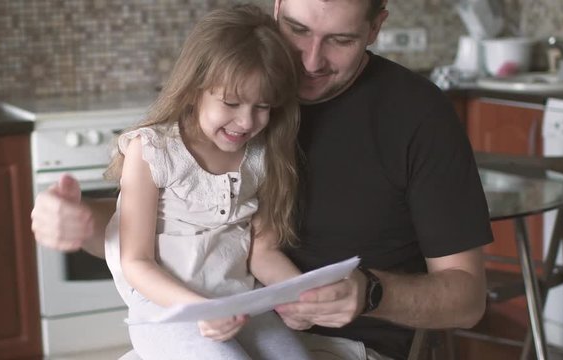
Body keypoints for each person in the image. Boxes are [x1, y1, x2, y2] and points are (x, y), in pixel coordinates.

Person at [31, 1, 494, 359]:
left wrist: (370, 293)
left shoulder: (419, 117)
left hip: (340, 344)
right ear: (276, 9)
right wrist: (80, 222)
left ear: (376, 27)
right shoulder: (225, 94)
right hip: (210, 317)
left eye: (341, 39)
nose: (311, 61)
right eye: (297, 30)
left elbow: (468, 299)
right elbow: (158, 234)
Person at [97, 4, 315, 360]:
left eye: (263, 106)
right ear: (194, 88)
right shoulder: (153, 151)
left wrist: (299, 295)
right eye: (231, 102)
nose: (246, 122)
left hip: (239, 303)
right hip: (168, 313)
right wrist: (202, 309)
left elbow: (262, 251)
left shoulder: (261, 155)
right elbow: (136, 262)